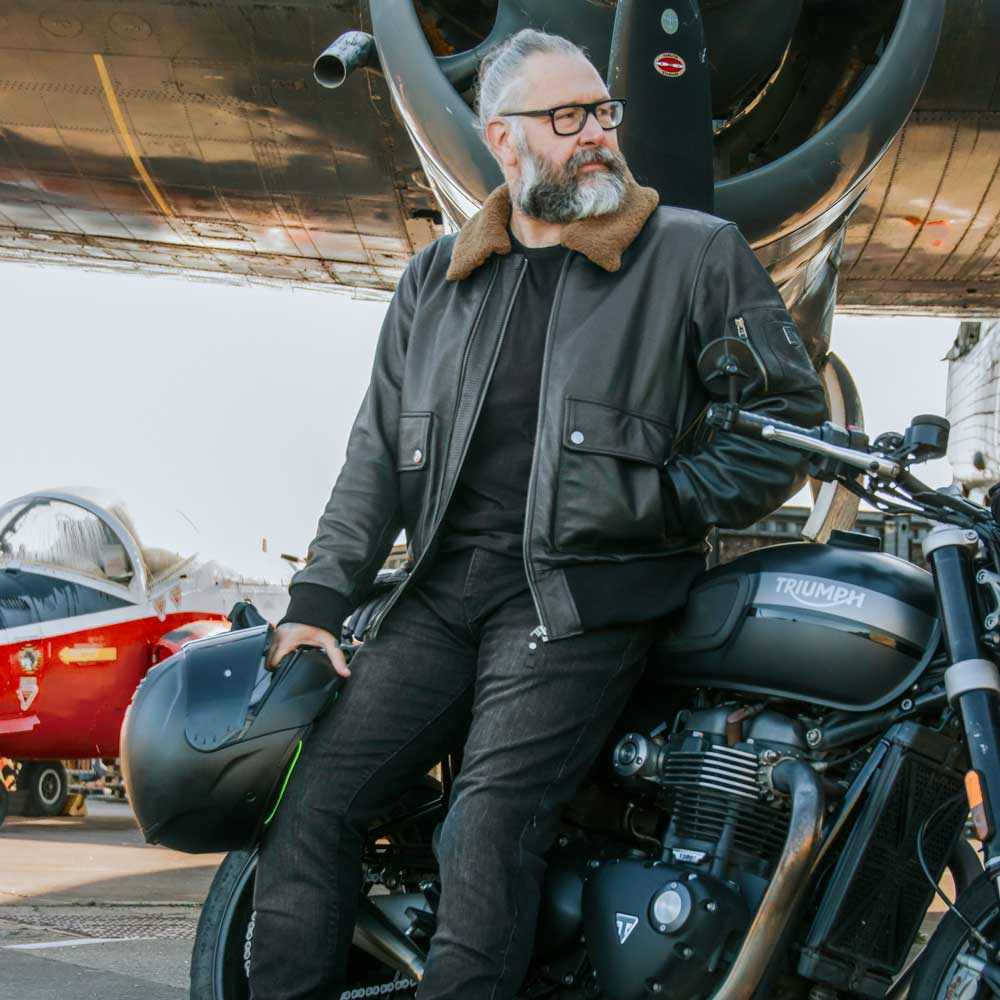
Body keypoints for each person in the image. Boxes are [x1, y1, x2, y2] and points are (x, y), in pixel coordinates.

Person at [249, 28, 826, 1000]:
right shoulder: (436, 277)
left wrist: (664, 500)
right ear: (503, 140)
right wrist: (316, 598)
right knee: (310, 807)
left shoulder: (692, 253)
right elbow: (377, 455)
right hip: (439, 592)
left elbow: (784, 418)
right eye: (568, 119)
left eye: (603, 112)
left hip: (579, 594)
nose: (598, 133)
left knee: (485, 824)